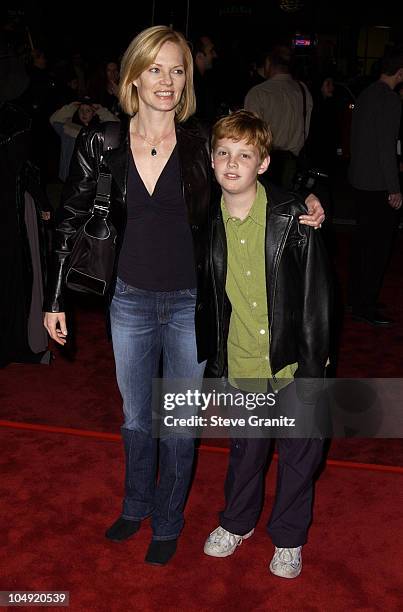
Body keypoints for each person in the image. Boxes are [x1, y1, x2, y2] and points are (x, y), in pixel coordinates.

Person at [43, 26, 324, 567]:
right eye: (155, 69)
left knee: (178, 423)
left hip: (189, 306)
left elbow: (260, 166)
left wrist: (310, 195)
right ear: (133, 76)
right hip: (127, 300)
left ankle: (169, 520)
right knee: (135, 417)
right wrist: (54, 299)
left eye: (177, 70)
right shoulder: (100, 142)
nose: (167, 81)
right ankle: (136, 504)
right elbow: (70, 219)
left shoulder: (200, 142)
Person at [202, 110, 331, 578]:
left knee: (299, 455)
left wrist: (315, 368)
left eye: (244, 155)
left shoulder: (292, 218)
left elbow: (317, 299)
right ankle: (237, 523)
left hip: (293, 363)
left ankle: (289, 538)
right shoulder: (205, 221)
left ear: (263, 163)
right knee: (246, 451)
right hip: (242, 360)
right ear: (211, 159)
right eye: (223, 153)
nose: (232, 163)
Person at [0, 35, 51, 367]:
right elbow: (28, 167)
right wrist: (44, 202)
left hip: (11, 207)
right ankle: (16, 342)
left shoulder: (19, 116)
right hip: (11, 210)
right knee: (17, 274)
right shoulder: (19, 119)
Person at [348, 47, 403, 326]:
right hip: (378, 184)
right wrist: (394, 188)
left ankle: (357, 298)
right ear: (400, 72)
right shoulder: (390, 100)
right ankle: (364, 304)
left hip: (359, 181)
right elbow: (386, 148)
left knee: (361, 244)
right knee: (378, 248)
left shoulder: (367, 93)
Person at [245, 45, 313, 190]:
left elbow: (251, 137)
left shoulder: (258, 93)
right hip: (294, 168)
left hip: (265, 168)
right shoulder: (302, 90)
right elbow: (305, 131)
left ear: (268, 63)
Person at [50, 97, 119, 181]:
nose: (84, 113)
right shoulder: (68, 129)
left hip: (91, 179)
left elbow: (116, 125)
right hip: (69, 178)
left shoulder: (99, 131)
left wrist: (101, 111)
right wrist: (71, 107)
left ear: (94, 113)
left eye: (88, 110)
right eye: (81, 110)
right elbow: (54, 119)